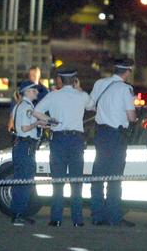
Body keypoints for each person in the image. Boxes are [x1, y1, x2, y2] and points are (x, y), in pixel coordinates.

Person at [33, 67, 91, 227]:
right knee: (76, 181)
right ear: (74, 80)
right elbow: (92, 105)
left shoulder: (53, 96)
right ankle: (77, 219)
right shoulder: (82, 96)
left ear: (60, 79)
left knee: (57, 181)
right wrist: (79, 88)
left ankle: (56, 218)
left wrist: (51, 121)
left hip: (58, 140)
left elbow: (36, 111)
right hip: (76, 141)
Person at [88, 58, 137, 227]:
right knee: (115, 177)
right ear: (127, 71)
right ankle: (114, 216)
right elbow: (131, 116)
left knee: (98, 175)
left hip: (101, 134)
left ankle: (97, 215)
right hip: (117, 136)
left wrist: (104, 110)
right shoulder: (125, 89)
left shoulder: (100, 83)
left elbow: (89, 106)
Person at [10, 80, 46, 226]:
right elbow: (25, 128)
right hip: (26, 147)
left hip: (21, 147)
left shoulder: (20, 105)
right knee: (25, 181)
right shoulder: (25, 107)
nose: (37, 92)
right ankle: (19, 215)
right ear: (27, 92)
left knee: (20, 181)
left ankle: (18, 213)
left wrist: (44, 123)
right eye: (34, 90)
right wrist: (37, 124)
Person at [7, 66, 49, 132]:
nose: (32, 77)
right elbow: (15, 103)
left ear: (39, 75)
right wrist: (11, 120)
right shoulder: (24, 87)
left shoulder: (45, 91)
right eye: (31, 75)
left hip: (39, 123)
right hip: (24, 121)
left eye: (34, 75)